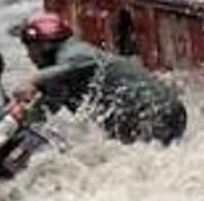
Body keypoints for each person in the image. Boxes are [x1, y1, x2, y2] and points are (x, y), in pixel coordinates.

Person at [14, 12, 187, 145]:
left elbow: (78, 64)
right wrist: (19, 120)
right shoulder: (65, 74)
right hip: (156, 114)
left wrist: (34, 80)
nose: (29, 56)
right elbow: (48, 106)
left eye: (30, 49)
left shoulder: (73, 53)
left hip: (153, 114)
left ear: (43, 46)